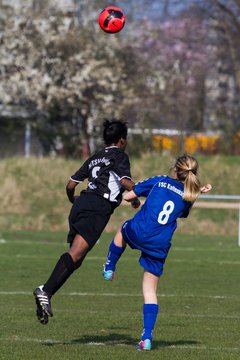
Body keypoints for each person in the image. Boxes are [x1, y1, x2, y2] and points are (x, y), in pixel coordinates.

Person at [33, 119, 140, 325]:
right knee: (75, 254)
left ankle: (46, 294)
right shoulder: (120, 156)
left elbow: (70, 184)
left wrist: (73, 200)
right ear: (122, 140)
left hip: (81, 205)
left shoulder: (95, 157)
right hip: (97, 208)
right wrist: (139, 193)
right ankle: (44, 290)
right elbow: (125, 181)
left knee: (77, 258)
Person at [102, 155, 212, 351]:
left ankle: (109, 268)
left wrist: (134, 198)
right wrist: (198, 193)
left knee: (123, 230)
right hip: (159, 244)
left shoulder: (160, 180)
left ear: (174, 169)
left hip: (140, 230)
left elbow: (128, 196)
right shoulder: (188, 195)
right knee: (150, 292)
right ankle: (146, 338)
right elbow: (185, 204)